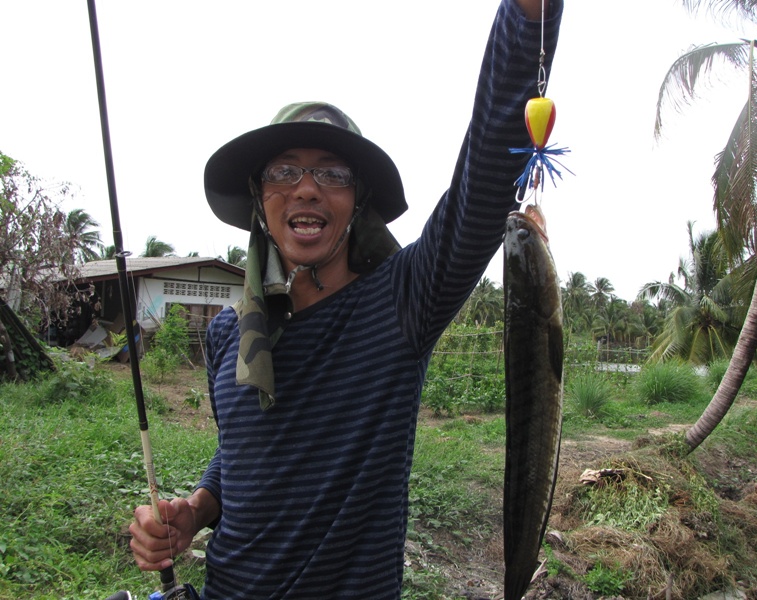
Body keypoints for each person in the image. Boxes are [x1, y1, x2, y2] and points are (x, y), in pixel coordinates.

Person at [129, 1, 563, 598]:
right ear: (259, 199)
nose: (307, 187)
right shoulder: (230, 334)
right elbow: (242, 452)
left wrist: (526, 18)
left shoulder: (403, 302)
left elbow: (485, 176)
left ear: (357, 201)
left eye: (333, 174)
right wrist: (197, 508)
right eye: (285, 171)